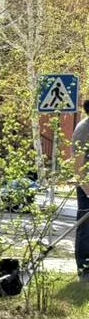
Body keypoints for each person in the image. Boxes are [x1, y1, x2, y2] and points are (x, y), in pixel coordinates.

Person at [74, 99, 89, 282]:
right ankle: (85, 270)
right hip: (87, 187)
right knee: (85, 228)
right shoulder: (83, 129)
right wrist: (87, 189)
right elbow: (77, 164)